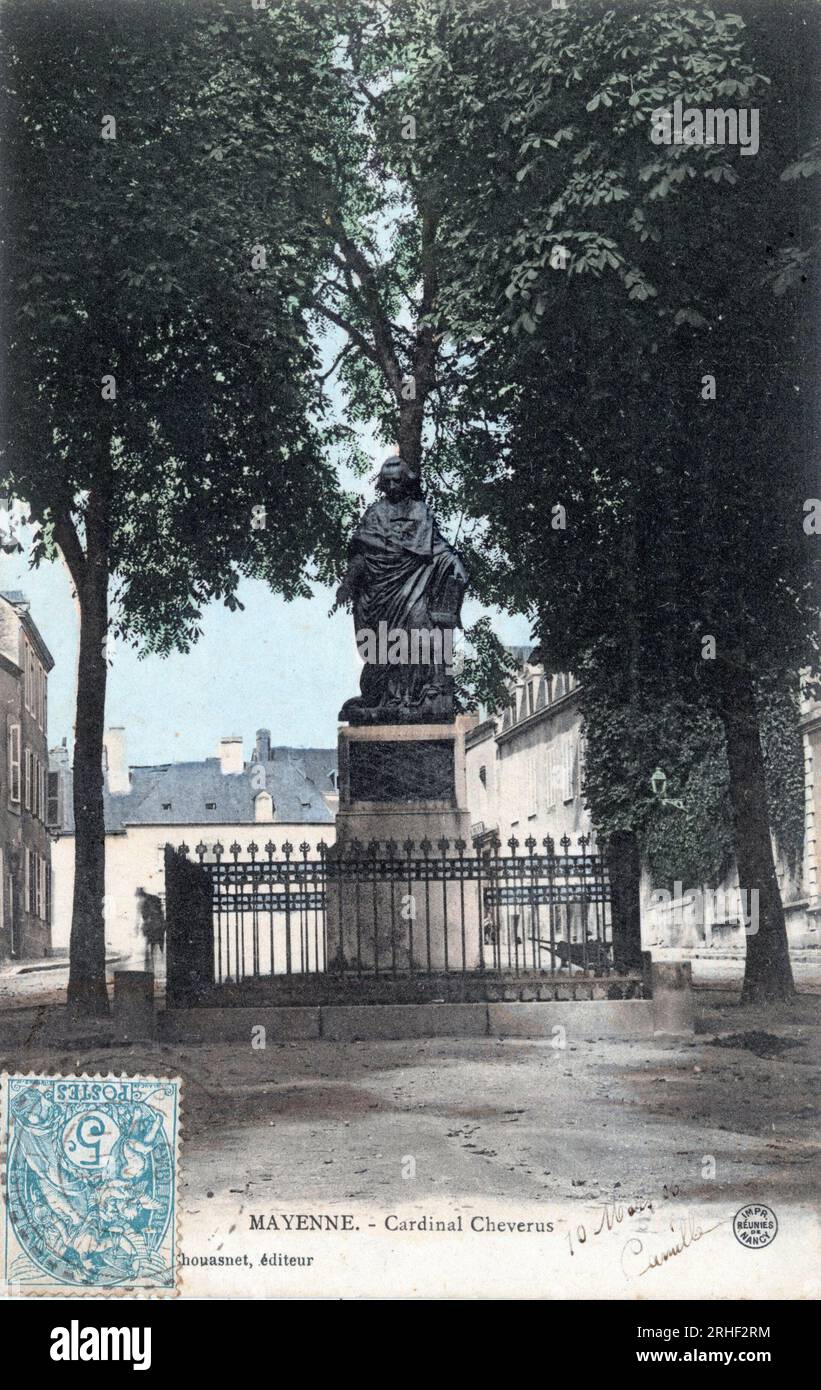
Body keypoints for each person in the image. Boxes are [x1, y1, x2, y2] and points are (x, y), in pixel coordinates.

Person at [335, 453, 468, 723]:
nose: (393, 487)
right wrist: (348, 582)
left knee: (420, 629)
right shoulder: (375, 514)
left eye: (398, 481)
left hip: (415, 584)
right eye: (388, 482)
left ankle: (413, 697)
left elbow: (437, 548)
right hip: (381, 594)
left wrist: (454, 563)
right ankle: (384, 696)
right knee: (383, 643)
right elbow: (362, 553)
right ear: (383, 485)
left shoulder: (420, 512)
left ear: (406, 482)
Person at [134, 888, 165, 973]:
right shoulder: (154, 898)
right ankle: (156, 967)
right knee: (158, 947)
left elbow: (138, 916)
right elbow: (161, 913)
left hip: (151, 928)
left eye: (138, 897)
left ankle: (150, 969)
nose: (139, 899)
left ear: (140, 895)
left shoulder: (141, 903)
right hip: (159, 927)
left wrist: (136, 928)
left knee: (150, 947)